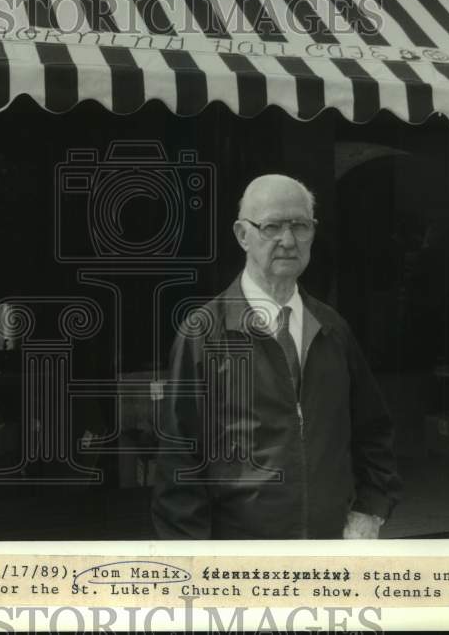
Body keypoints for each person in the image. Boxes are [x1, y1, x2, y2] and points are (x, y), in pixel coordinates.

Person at [152, 174, 401, 539]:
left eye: (299, 225)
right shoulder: (203, 333)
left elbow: (373, 431)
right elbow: (179, 464)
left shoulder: (332, 329)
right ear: (242, 235)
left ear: (313, 232)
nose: (288, 240)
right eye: (272, 227)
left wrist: (371, 509)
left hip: (329, 550)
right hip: (242, 559)